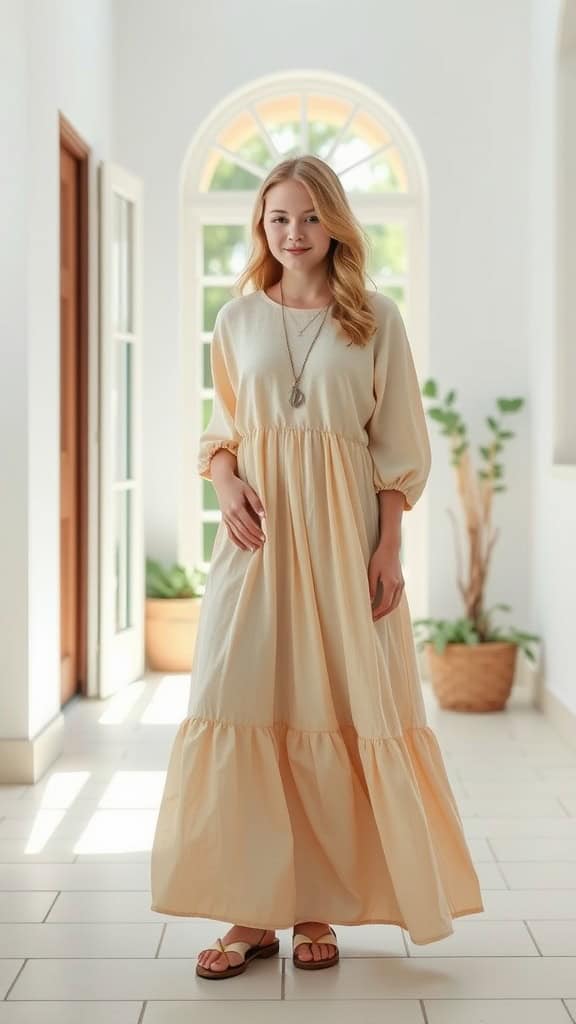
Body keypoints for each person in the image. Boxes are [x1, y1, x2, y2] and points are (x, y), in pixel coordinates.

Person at [150, 154, 484, 980]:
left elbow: (399, 445)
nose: (292, 233)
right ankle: (249, 913)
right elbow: (221, 429)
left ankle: (311, 910)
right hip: (257, 542)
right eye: (276, 219)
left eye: (306, 216)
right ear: (260, 227)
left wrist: (388, 546)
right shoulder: (237, 320)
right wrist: (225, 481)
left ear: (332, 220)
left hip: (345, 541)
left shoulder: (376, 317)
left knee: (333, 706)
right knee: (242, 699)